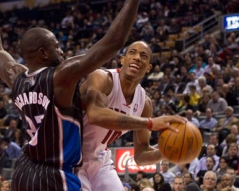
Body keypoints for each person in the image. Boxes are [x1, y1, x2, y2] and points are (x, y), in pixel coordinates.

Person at [0, 0, 163, 190]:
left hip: (25, 171)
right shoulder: (61, 77)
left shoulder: (16, 78)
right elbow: (113, 43)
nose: (62, 51)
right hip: (56, 173)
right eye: (56, 46)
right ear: (44, 54)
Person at [78, 41, 186, 190]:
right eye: (132, 52)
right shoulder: (102, 78)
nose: (137, 58)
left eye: (143, 56)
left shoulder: (144, 103)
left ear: (148, 68)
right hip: (72, 157)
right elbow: (95, 114)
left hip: (100, 160)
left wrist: (166, 152)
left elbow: (141, 156)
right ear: (122, 60)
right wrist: (148, 123)